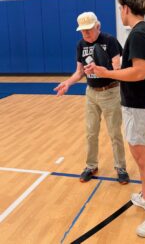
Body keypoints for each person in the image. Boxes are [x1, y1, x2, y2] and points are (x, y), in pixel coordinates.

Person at [84, 0, 145, 237]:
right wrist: (118, 65)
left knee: (143, 157)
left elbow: (139, 73)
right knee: (141, 154)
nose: (119, 13)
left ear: (126, 8)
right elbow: (134, 68)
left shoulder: (139, 34)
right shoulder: (141, 33)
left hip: (141, 106)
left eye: (120, 9)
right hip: (140, 105)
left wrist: (107, 72)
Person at [54, 12, 130, 185]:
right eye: (82, 31)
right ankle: (91, 166)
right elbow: (79, 71)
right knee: (90, 132)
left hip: (110, 92)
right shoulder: (81, 45)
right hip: (91, 94)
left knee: (115, 133)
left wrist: (100, 69)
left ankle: (120, 167)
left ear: (98, 26)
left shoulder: (110, 41)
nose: (86, 34)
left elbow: (117, 70)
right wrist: (68, 83)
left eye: (89, 29)